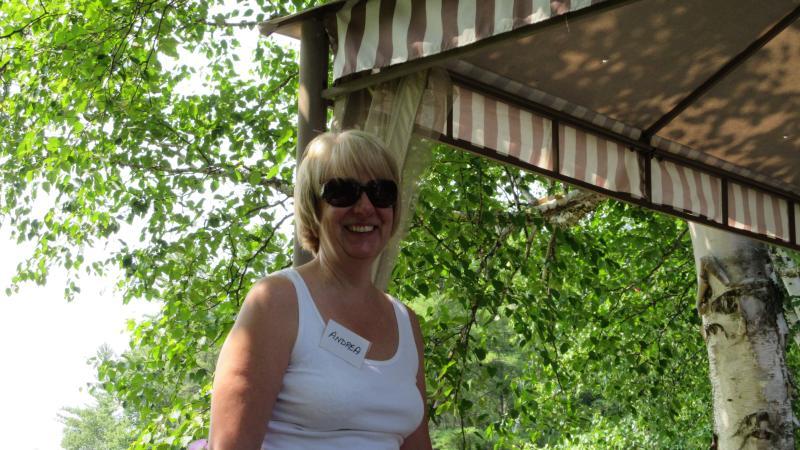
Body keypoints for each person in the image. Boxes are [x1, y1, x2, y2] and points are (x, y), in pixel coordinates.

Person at [209, 130, 433, 450]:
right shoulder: (277, 301)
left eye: (381, 192)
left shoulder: (405, 321)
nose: (365, 206)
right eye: (343, 192)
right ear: (313, 208)